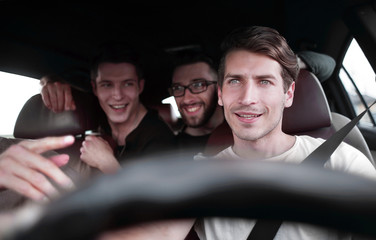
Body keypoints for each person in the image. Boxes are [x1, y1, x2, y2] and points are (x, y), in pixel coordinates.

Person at [96, 25, 376, 239]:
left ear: (288, 93)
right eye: (235, 81)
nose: (247, 97)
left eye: (264, 81)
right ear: (220, 93)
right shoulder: (198, 175)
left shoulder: (340, 160)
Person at [41, 43, 176, 173]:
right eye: (107, 85)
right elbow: (51, 79)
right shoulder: (95, 110)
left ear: (139, 87)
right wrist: (49, 83)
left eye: (127, 84)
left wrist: (107, 164)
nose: (117, 95)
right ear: (95, 88)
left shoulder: (160, 140)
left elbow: (153, 195)